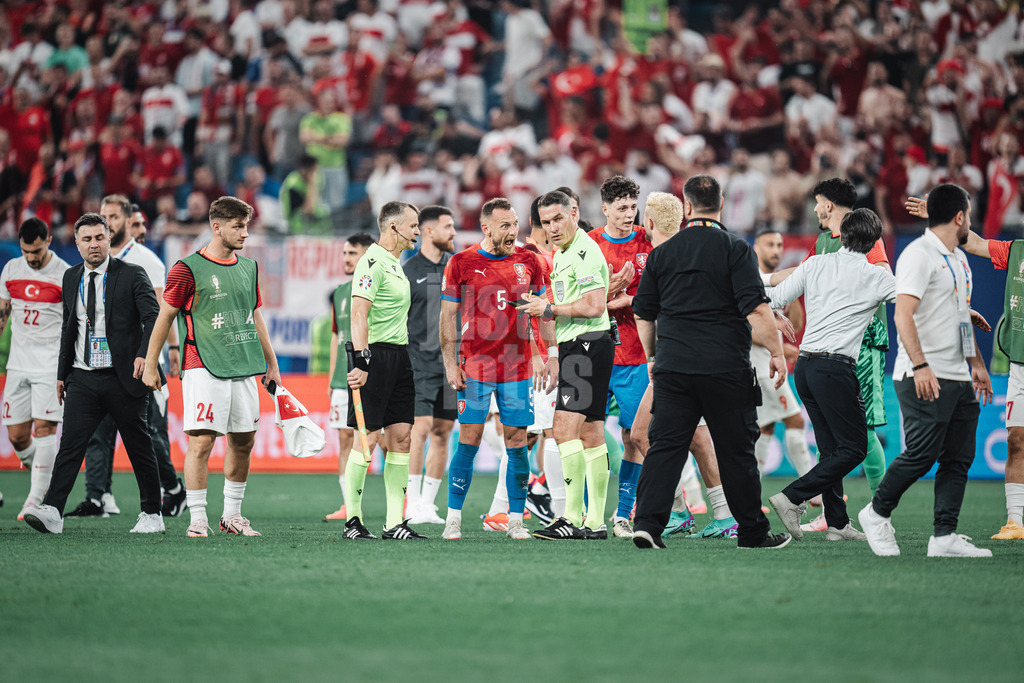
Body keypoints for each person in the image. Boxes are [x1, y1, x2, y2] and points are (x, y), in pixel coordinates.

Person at [630, 174, 791, 550]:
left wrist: (654, 357)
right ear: (720, 206)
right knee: (736, 452)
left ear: (686, 207)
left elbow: (643, 313)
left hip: (674, 369)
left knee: (665, 446)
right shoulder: (736, 249)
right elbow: (756, 310)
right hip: (726, 369)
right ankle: (752, 532)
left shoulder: (662, 253)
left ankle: (648, 526)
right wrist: (778, 353)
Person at [858, 184, 994, 558]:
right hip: (921, 373)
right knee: (920, 453)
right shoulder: (919, 255)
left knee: (959, 457)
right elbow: (903, 315)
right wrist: (920, 365)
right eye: (969, 213)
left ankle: (944, 537)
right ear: (960, 216)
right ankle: (876, 513)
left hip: (959, 378)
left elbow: (963, 319)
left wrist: (977, 365)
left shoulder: (959, 260)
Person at [142, 197, 282, 538]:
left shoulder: (249, 268)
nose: (245, 233)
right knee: (203, 442)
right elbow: (165, 316)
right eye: (238, 226)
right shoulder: (186, 268)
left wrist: (271, 363)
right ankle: (198, 518)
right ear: (216, 227)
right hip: (202, 364)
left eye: (246, 226)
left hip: (244, 365)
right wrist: (150, 363)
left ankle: (232, 515)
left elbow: (255, 315)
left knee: (243, 441)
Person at [24, 214, 164, 535]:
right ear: (77, 244)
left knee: (138, 446)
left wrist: (145, 355)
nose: (94, 245)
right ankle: (52, 511)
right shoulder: (71, 277)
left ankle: (152, 513)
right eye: (86, 240)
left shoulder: (131, 274)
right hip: (82, 377)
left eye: (99, 238)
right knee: (70, 446)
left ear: (108, 238)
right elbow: (67, 327)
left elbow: (153, 317)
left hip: (123, 376)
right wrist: (62, 373)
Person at [765, 209, 896, 542]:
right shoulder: (877, 277)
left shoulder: (815, 264)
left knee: (829, 448)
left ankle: (836, 521)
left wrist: (778, 321)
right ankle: (793, 496)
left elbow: (773, 298)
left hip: (806, 368)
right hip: (837, 368)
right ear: (873, 243)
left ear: (844, 235)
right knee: (853, 449)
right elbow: (913, 304)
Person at [630, 192, 743, 541]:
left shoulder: (663, 257)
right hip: (697, 358)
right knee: (693, 436)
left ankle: (692, 511)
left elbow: (648, 311)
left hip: (677, 360)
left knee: (647, 434)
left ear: (648, 222)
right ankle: (707, 512)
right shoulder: (693, 248)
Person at [65, 195, 185, 520]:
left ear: (127, 220)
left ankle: (173, 488)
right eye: (104, 217)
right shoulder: (94, 263)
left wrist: (169, 351)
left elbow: (162, 312)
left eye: (113, 217)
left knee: (150, 431)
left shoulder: (147, 260)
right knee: (98, 432)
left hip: (142, 360)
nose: (108, 222)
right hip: (100, 361)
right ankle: (98, 496)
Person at [441, 198, 553, 540]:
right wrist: (450, 363)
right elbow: (447, 317)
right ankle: (453, 519)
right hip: (475, 366)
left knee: (518, 442)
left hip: (517, 368)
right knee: (469, 440)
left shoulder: (530, 261)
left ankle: (516, 520)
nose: (512, 231)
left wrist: (548, 353)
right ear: (486, 227)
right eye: (504, 225)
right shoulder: (461, 262)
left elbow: (543, 312)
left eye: (515, 224)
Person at [794, 179, 892, 533]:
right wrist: (756, 279)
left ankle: (882, 510)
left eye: (818, 202)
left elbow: (883, 276)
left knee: (858, 434)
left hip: (860, 344)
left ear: (830, 205)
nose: (815, 209)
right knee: (831, 440)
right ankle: (835, 515)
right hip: (828, 350)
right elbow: (799, 276)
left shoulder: (866, 237)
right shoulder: (823, 241)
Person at [518, 190, 614, 540]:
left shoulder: (585, 252)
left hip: (588, 344)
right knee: (590, 433)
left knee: (562, 431)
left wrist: (548, 308)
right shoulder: (564, 253)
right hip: (583, 346)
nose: (553, 227)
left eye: (559, 218)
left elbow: (593, 306)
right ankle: (595, 522)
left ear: (575, 212)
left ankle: (571, 518)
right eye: (546, 222)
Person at [341, 201, 426, 540]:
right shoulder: (371, 262)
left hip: (399, 356)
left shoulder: (394, 263)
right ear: (394, 227)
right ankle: (353, 521)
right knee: (367, 440)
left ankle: (394, 523)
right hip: (373, 356)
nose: (417, 231)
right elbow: (358, 314)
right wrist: (362, 362)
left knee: (402, 438)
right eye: (413, 225)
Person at [589, 175, 651, 538]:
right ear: (606, 209)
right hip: (594, 351)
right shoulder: (590, 245)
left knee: (633, 436)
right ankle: (583, 513)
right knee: (584, 433)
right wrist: (607, 295)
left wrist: (631, 300)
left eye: (633, 207)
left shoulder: (648, 242)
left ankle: (624, 514)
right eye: (622, 208)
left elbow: (663, 295)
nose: (630, 214)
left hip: (636, 355)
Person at [957, 214, 1024, 540]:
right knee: (1015, 440)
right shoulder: (1015, 251)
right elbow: (971, 242)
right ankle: (1015, 522)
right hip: (1019, 368)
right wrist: (942, 215)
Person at [0, 218, 69, 520]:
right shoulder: (11, 269)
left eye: (37, 251)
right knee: (17, 436)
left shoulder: (65, 273)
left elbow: (74, 323)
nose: (32, 258)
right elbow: (3, 315)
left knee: (44, 431)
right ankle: (45, 473)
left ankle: (33, 501)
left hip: (49, 366)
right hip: (17, 364)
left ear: (49, 241)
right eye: (27, 251)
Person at [403, 206, 457, 525]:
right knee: (419, 430)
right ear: (428, 231)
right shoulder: (409, 271)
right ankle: (411, 503)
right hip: (418, 364)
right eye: (447, 227)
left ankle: (427, 504)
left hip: (451, 365)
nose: (453, 232)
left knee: (443, 433)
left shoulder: (457, 267)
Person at [750, 230, 816, 489]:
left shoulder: (778, 282)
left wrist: (794, 293)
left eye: (779, 244)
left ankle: (751, 492)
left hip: (768, 358)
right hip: (756, 359)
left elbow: (797, 326)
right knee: (795, 419)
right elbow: (746, 326)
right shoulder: (753, 279)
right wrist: (779, 347)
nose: (776, 250)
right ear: (756, 247)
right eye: (769, 244)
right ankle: (814, 491)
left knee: (765, 427)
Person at [325, 233, 375, 521]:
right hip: (342, 379)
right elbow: (336, 337)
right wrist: (332, 379)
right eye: (344, 253)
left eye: (352, 253)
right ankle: (348, 503)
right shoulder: (340, 292)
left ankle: (392, 501)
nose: (346, 259)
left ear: (367, 256)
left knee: (368, 438)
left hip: (367, 375)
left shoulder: (375, 288)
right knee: (345, 439)